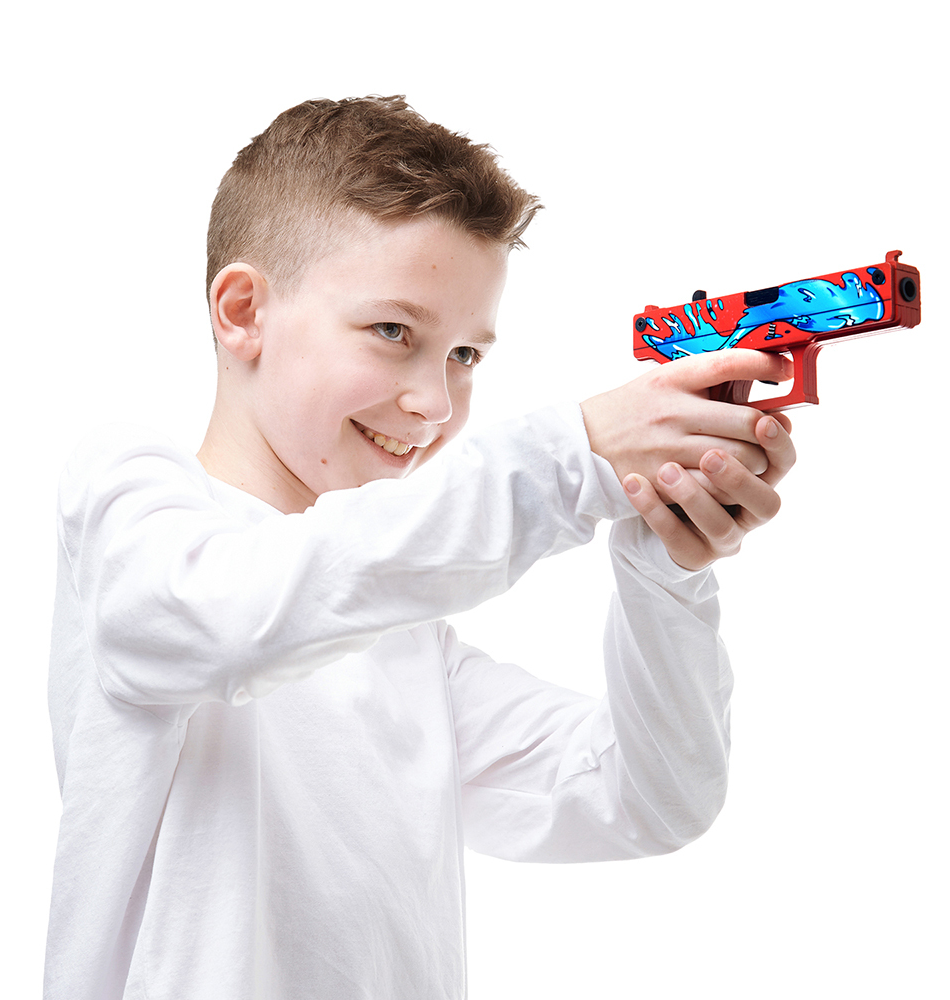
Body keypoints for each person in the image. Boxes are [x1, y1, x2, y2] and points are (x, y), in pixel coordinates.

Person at [44, 95, 796, 999]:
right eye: (394, 332)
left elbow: (651, 798)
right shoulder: (128, 500)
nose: (435, 405)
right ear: (243, 311)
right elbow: (236, 618)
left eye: (465, 356)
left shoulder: (404, 646)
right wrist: (579, 456)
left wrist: (662, 563)